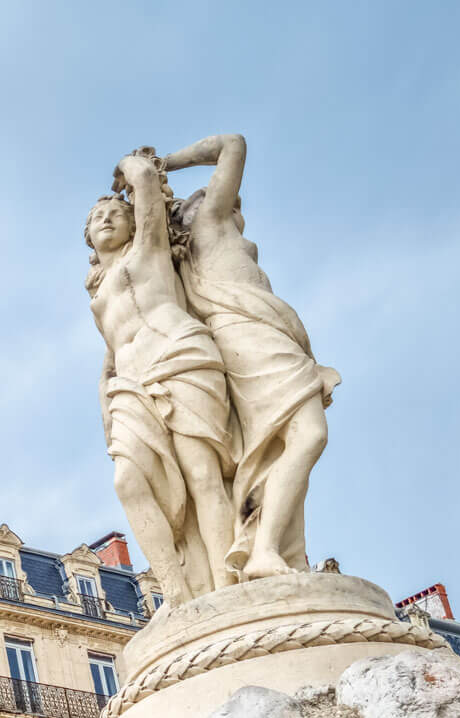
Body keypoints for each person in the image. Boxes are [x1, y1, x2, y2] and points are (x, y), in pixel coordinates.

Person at [163, 133, 339, 581]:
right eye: (222, 198)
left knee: (277, 448)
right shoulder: (211, 225)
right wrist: (166, 163)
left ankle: (280, 550)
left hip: (255, 336)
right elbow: (232, 145)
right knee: (308, 435)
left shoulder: (209, 243)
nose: (233, 205)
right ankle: (263, 551)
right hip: (252, 338)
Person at [85, 150, 237, 605]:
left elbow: (148, 184)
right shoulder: (98, 293)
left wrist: (132, 167)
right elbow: (109, 359)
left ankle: (226, 584)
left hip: (178, 354)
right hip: (129, 383)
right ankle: (175, 594)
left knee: (202, 473)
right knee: (127, 481)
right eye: (98, 217)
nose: (108, 217)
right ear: (89, 238)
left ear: (135, 224)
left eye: (116, 213)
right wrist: (107, 411)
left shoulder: (148, 249)